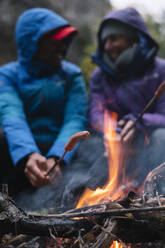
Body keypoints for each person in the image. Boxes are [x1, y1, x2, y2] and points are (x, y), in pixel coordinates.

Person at [0, 8, 87, 198]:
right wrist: (28, 155)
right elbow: (12, 116)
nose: (62, 47)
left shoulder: (72, 75)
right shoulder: (7, 75)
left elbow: (75, 117)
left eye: (64, 41)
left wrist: (58, 157)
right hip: (21, 156)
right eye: (55, 41)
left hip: (63, 153)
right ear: (32, 43)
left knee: (93, 146)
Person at [87, 7, 165, 190]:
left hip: (151, 143)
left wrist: (138, 123)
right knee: (88, 146)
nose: (107, 46)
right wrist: (113, 131)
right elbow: (95, 113)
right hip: (112, 147)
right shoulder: (99, 76)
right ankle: (90, 193)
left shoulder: (160, 70)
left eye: (114, 38)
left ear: (132, 37)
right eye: (105, 41)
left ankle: (154, 194)